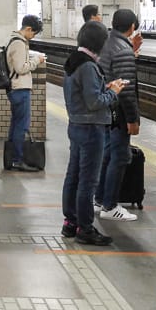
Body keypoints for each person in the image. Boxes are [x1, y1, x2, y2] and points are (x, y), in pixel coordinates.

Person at [61, 21, 126, 246]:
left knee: (74, 176)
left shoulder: (73, 61)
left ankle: (70, 222)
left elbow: (85, 94)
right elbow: (94, 102)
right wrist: (114, 93)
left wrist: (105, 88)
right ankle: (85, 228)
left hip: (76, 125)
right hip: (91, 129)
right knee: (87, 181)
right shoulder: (88, 66)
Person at [95, 9, 141, 222]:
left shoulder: (106, 43)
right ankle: (110, 205)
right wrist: (132, 119)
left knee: (107, 154)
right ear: (132, 26)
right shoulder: (123, 50)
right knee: (120, 156)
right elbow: (127, 90)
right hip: (118, 111)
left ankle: (100, 199)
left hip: (106, 108)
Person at [4, 15, 47, 172]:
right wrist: (36, 60)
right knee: (21, 126)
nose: (33, 37)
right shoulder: (19, 43)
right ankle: (17, 159)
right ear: (28, 29)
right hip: (19, 89)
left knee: (16, 124)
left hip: (15, 89)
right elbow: (21, 68)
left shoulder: (14, 40)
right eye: (33, 33)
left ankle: (11, 158)